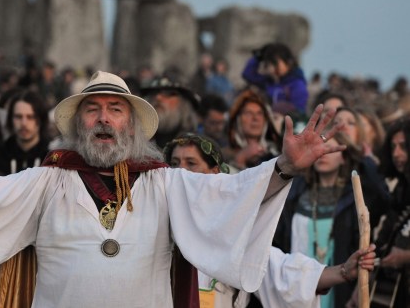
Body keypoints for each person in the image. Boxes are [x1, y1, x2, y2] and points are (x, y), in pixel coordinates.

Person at [0, 70, 345, 307]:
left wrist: (283, 166)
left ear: (132, 123)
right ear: (78, 122)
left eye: (115, 109)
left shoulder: (166, 183)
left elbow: (231, 197)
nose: (104, 117)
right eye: (93, 109)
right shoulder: (47, 180)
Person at [164, 133, 377, 308]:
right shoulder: (156, 223)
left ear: (216, 174)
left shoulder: (235, 233)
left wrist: (343, 271)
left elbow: (285, 273)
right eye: (174, 164)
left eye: (191, 163)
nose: (181, 172)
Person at [274, 132, 390, 307]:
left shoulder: (354, 200)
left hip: (338, 289)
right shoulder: (294, 195)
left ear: (344, 158)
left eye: (330, 149)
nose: (324, 154)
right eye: (319, 149)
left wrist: (367, 161)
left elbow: (385, 199)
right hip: (295, 285)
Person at [360, 117, 410, 308]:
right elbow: (384, 239)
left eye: (404, 146)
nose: (396, 154)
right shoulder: (401, 189)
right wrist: (363, 286)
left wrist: (405, 257)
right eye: (393, 147)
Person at [242, 42, 308, 113]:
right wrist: (258, 57)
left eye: (275, 63)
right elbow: (248, 74)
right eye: (269, 63)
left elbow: (300, 112)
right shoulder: (269, 82)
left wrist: (282, 110)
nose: (272, 67)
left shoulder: (297, 84)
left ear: (289, 62)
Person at [225, 89, 282, 171]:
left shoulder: (277, 153)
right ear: (237, 120)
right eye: (248, 113)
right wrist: (240, 159)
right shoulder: (225, 154)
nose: (255, 118)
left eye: (260, 113)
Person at [141, 76, 201, 148]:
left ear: (185, 105)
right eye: (153, 93)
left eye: (168, 93)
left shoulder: (197, 147)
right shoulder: (138, 142)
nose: (158, 97)